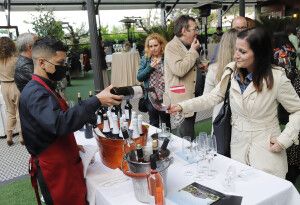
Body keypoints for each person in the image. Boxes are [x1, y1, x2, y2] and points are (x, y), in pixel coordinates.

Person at [169, 27, 300, 178]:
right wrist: (182, 106)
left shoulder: (277, 78)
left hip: (267, 152)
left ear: (259, 53)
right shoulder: (231, 72)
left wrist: (284, 140)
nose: (236, 55)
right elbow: (212, 97)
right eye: (236, 49)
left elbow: (297, 110)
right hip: (238, 149)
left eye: (242, 52)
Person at [19, 37, 122, 205]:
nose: (64, 66)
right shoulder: (35, 93)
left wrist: (69, 145)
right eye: (59, 62)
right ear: (42, 63)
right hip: (55, 170)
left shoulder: (44, 86)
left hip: (63, 159)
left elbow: (48, 125)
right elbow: (59, 123)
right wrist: (96, 100)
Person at [164, 15, 201, 140]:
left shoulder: (187, 45)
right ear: (184, 31)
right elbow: (179, 70)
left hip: (192, 96)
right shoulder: (171, 46)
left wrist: (201, 66)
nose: (196, 32)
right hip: (181, 98)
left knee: (189, 131)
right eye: (194, 29)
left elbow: (190, 66)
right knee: (186, 137)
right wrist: (193, 51)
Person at [273, 32, 300, 183]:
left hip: (286, 83)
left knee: (291, 112)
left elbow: (278, 68)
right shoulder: (291, 49)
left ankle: (293, 169)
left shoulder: (277, 51)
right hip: (295, 79)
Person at [137, 33, 171, 128]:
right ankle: (155, 142)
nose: (153, 48)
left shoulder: (167, 57)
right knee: (153, 123)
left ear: (161, 45)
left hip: (165, 95)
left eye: (156, 45)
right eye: (150, 46)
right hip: (150, 96)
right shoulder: (146, 59)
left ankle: (166, 141)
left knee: (166, 122)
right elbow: (139, 77)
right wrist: (150, 67)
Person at [204, 29, 238, 121]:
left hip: (220, 118)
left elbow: (206, 98)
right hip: (240, 122)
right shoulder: (248, 68)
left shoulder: (213, 69)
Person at [0, 37, 23, 146]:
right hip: (15, 85)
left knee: (10, 112)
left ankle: (9, 136)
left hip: (4, 87)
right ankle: (22, 136)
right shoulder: (15, 59)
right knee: (20, 111)